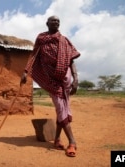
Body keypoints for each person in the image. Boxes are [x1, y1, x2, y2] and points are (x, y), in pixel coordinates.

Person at [20, 15, 80, 157]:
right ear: (47, 23)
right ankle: (72, 141)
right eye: (53, 21)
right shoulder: (41, 39)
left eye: (58, 21)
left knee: (62, 109)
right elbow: (34, 56)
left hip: (65, 78)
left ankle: (57, 139)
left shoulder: (64, 40)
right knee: (60, 107)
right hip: (50, 79)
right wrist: (25, 71)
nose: (56, 23)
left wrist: (76, 78)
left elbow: (71, 60)